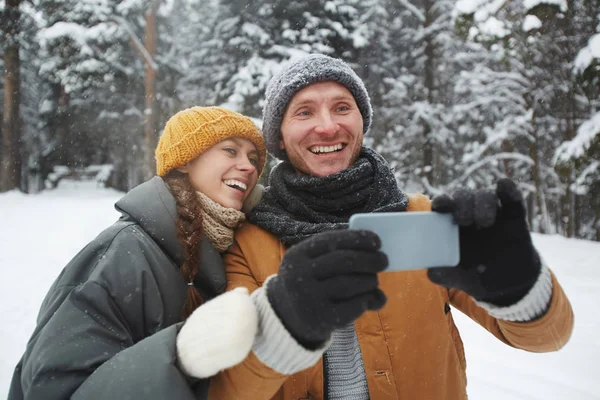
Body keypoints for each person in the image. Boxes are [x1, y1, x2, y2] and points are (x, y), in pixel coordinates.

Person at [207, 55, 575, 400]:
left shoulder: (423, 218)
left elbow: (547, 339)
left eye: (342, 107)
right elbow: (229, 389)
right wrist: (283, 322)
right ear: (280, 139)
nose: (328, 125)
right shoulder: (248, 244)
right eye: (304, 112)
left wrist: (520, 285)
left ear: (360, 123)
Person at [8, 106, 267, 400]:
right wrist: (181, 357)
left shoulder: (234, 250)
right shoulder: (122, 253)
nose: (248, 167)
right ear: (185, 161)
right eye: (231, 151)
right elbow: (57, 390)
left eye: (254, 158)